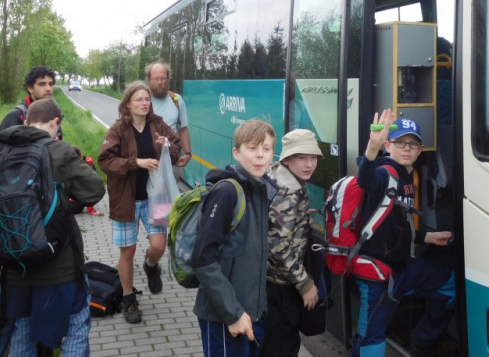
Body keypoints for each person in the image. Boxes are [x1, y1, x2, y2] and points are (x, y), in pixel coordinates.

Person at [0, 98, 105, 356]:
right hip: (60, 266)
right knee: (76, 325)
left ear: (27, 122)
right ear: (55, 123)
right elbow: (94, 191)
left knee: (21, 335)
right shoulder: (60, 151)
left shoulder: (1, 156)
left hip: (15, 267)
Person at [352, 111, 455, 357]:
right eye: (400, 142)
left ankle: (423, 340)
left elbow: (397, 226)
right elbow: (365, 179)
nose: (407, 148)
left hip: (402, 269)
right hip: (376, 273)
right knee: (371, 336)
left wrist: (427, 237)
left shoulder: (409, 177)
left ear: (420, 150)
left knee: (449, 285)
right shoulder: (384, 172)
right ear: (388, 146)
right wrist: (372, 147)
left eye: (413, 143)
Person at [191, 118, 278, 357]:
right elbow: (202, 259)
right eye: (252, 148)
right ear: (236, 153)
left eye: (266, 149)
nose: (260, 155)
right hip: (224, 318)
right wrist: (233, 314)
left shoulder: (261, 190)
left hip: (252, 315)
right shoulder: (227, 192)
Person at [98, 81, 182, 323]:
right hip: (127, 200)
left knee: (159, 245)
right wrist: (136, 162)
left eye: (147, 99)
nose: (144, 103)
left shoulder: (158, 124)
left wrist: (166, 146)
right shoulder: (118, 129)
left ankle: (150, 265)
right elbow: (105, 160)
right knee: (128, 251)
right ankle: (128, 299)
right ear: (128, 104)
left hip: (155, 198)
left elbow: (176, 148)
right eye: (139, 100)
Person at [260, 129, 322, 357]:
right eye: (302, 158)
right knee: (282, 346)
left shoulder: (280, 174)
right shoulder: (287, 192)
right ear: (286, 159)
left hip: (272, 283)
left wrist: (299, 219)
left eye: (313, 157)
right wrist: (305, 283)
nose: (309, 164)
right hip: (279, 287)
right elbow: (278, 248)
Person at [146, 62, 192, 178]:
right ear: (149, 80)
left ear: (168, 79)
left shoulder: (176, 100)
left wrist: (187, 153)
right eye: (156, 79)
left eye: (163, 78)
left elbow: (183, 129)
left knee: (173, 189)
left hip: (172, 158)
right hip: (148, 161)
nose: (160, 82)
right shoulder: (143, 100)